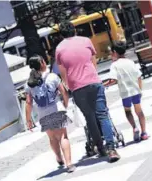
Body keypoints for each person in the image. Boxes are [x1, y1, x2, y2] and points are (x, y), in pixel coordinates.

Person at [55, 21, 120, 163]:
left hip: (77, 88)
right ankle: (111, 149)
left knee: (90, 118)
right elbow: (93, 61)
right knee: (103, 115)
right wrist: (92, 75)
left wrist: (69, 86)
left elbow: (63, 73)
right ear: (74, 30)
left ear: (61, 34)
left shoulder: (59, 49)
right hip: (94, 82)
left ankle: (100, 148)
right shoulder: (86, 41)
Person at [25, 55, 76, 173]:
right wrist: (65, 105)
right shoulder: (52, 76)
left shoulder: (29, 83)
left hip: (43, 114)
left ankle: (59, 158)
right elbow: (64, 93)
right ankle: (69, 164)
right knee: (63, 136)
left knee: (52, 138)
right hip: (56, 109)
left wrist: (28, 119)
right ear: (42, 63)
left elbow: (28, 102)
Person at [104, 41, 149, 141]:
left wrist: (103, 85)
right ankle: (144, 132)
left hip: (125, 93)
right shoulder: (130, 62)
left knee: (128, 111)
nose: (111, 54)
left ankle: (134, 127)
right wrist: (140, 90)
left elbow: (113, 80)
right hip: (136, 91)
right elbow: (139, 76)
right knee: (139, 111)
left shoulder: (114, 65)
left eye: (111, 52)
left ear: (115, 52)